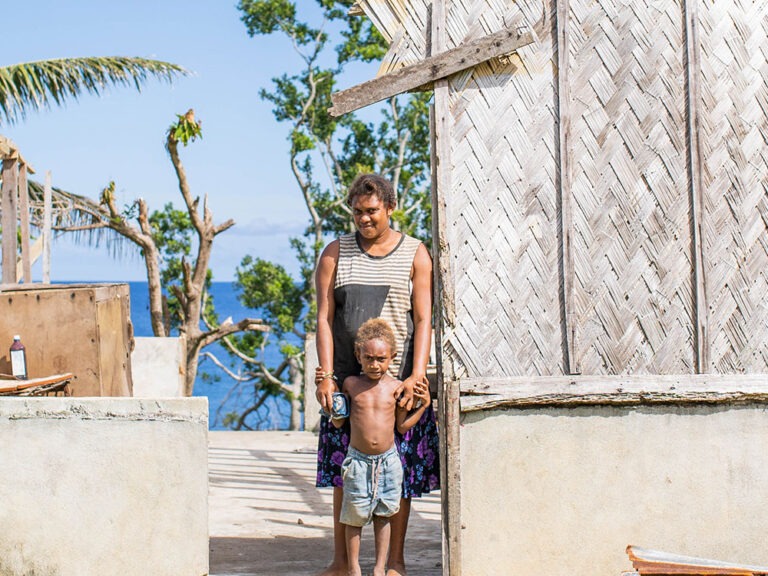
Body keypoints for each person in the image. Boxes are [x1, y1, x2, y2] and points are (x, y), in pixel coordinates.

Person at [315, 173, 440, 576]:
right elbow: (323, 317)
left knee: (398, 475)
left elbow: (423, 319)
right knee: (343, 471)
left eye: (371, 211)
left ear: (390, 207)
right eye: (357, 212)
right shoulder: (335, 252)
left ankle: (394, 563)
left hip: (397, 382)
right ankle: (340, 562)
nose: (363, 219)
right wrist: (326, 376)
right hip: (348, 383)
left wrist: (417, 375)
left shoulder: (416, 254)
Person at [331, 318, 431, 576]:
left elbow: (402, 427)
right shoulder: (351, 384)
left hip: (388, 461)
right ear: (358, 356)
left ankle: (379, 568)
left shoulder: (397, 388)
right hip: (357, 461)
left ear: (392, 358)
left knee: (384, 514)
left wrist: (424, 406)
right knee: (353, 516)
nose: (375, 365)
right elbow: (340, 420)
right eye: (369, 358)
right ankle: (353, 569)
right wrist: (329, 402)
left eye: (381, 359)